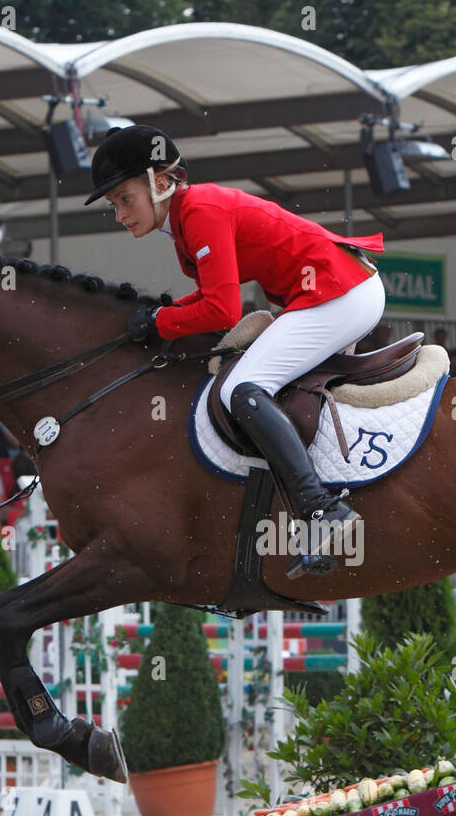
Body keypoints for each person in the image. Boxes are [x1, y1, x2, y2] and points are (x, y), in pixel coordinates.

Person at [88, 124, 384, 577]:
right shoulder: (187, 217)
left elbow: (223, 311)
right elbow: (211, 296)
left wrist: (160, 322)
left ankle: (322, 512)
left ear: (161, 184)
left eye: (125, 199)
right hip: (332, 290)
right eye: (114, 205)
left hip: (340, 291)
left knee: (242, 388)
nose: (119, 214)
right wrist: (158, 316)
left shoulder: (200, 210)